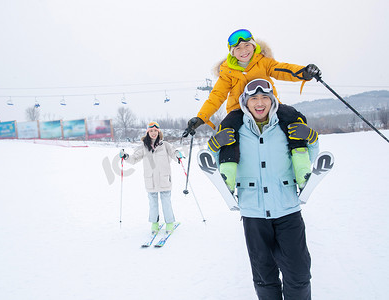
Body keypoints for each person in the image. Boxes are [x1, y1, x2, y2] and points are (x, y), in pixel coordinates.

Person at [212, 79, 319, 299]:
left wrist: (312, 138)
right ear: (245, 102)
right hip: (253, 214)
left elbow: (310, 157)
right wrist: (214, 145)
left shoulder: (285, 125)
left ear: (272, 101)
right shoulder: (236, 128)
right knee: (264, 275)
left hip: (287, 210)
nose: (260, 103)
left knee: (298, 273)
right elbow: (217, 164)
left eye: (265, 98)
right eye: (254, 98)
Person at [183, 28, 321, 188]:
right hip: (238, 110)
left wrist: (303, 72)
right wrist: (201, 117)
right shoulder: (227, 71)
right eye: (238, 48)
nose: (244, 51)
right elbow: (217, 96)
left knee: (294, 118)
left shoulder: (263, 62)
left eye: (247, 46)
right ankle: (228, 175)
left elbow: (283, 70)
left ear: (254, 46)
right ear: (232, 53)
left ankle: (302, 169)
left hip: (269, 106)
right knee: (227, 130)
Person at [119, 121, 183, 233]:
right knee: (153, 204)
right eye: (151, 131)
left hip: (164, 179)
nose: (153, 133)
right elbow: (134, 159)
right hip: (151, 180)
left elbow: (173, 152)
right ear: (148, 133)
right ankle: (154, 224)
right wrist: (126, 156)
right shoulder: (144, 147)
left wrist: (178, 155)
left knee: (166, 202)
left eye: (155, 131)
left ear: (159, 132)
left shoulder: (165, 145)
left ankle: (169, 223)